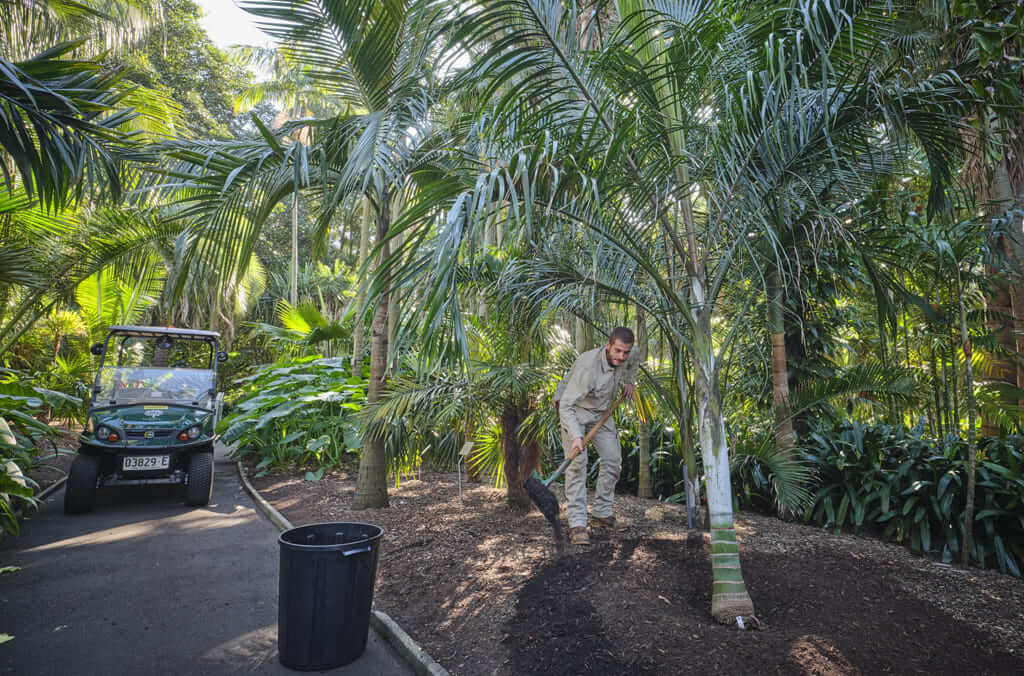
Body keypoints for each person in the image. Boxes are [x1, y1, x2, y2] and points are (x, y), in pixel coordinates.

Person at [553, 326, 637, 545]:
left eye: (625, 352)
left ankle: (600, 514)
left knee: (612, 460)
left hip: (602, 411)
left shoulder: (630, 354)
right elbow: (566, 406)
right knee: (577, 465)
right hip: (575, 410)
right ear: (608, 345)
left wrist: (629, 381)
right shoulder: (588, 368)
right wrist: (576, 436)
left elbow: (631, 366)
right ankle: (577, 524)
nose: (622, 356)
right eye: (617, 351)